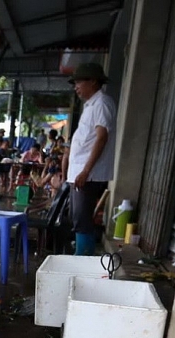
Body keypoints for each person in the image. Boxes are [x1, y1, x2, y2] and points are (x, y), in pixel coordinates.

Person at [62, 62, 116, 256]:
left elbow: (101, 138)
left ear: (93, 81)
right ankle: (81, 254)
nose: (76, 87)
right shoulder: (91, 105)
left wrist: (86, 171)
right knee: (77, 217)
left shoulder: (102, 103)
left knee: (82, 219)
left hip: (88, 174)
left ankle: (83, 257)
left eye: (79, 82)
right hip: (79, 172)